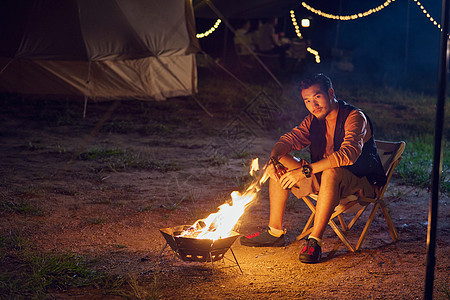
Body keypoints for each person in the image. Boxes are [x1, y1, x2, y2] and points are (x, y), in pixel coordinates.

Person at [240, 73, 387, 264]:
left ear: (331, 93)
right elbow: (289, 139)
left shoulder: (354, 117)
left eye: (317, 97)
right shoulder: (313, 120)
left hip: (360, 183)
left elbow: (348, 154)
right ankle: (275, 232)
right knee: (281, 163)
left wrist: (305, 171)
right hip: (325, 181)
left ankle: (315, 241)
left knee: (331, 171)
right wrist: (274, 158)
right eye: (307, 100)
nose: (313, 105)